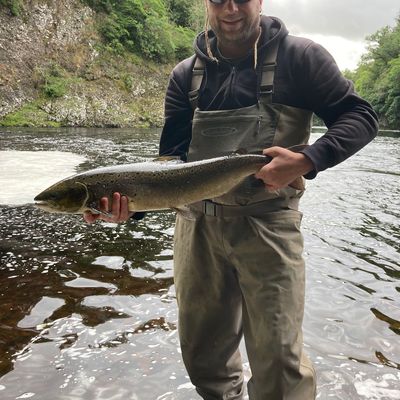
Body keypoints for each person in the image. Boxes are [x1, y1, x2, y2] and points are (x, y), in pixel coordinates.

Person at [85, 0, 379, 398]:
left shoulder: (301, 58)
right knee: (204, 358)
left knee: (279, 362)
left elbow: (359, 115)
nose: (230, 9)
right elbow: (168, 164)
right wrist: (128, 208)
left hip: (270, 224)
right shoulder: (186, 75)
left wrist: (308, 160)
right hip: (195, 228)